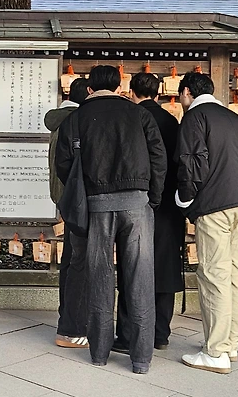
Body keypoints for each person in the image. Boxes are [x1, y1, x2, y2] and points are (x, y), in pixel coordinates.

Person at [55, 65, 166, 374]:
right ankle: (140, 359)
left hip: (96, 206)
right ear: (120, 87)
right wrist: (153, 198)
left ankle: (100, 354)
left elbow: (64, 165)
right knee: (140, 279)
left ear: (90, 88)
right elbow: (158, 159)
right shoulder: (140, 114)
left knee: (100, 278)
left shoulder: (75, 119)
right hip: (137, 203)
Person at [173, 72, 238, 373]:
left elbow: (192, 162)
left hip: (214, 205)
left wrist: (185, 199)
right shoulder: (235, 118)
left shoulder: (194, 117)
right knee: (235, 274)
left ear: (186, 92)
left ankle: (215, 352)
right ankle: (230, 344)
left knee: (213, 276)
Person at [116, 72, 184, 355]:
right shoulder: (172, 122)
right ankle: (160, 332)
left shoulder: (129, 119)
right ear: (158, 93)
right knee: (165, 265)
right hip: (169, 204)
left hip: (137, 200)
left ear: (132, 92)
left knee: (131, 264)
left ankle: (128, 333)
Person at [47, 77, 89, 349]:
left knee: (70, 259)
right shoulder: (76, 120)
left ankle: (67, 319)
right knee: (78, 261)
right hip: (77, 198)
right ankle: (71, 327)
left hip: (63, 196)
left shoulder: (58, 120)